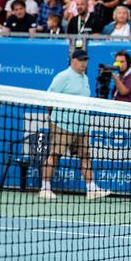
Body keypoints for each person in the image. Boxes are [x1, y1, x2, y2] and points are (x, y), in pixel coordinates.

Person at [39, 49, 109, 200]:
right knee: (55, 155)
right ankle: (45, 188)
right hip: (63, 125)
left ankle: (92, 189)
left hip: (82, 126)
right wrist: (53, 117)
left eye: (86, 60)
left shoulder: (85, 78)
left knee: (85, 156)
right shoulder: (63, 76)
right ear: (73, 60)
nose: (84, 63)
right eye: (81, 60)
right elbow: (48, 97)